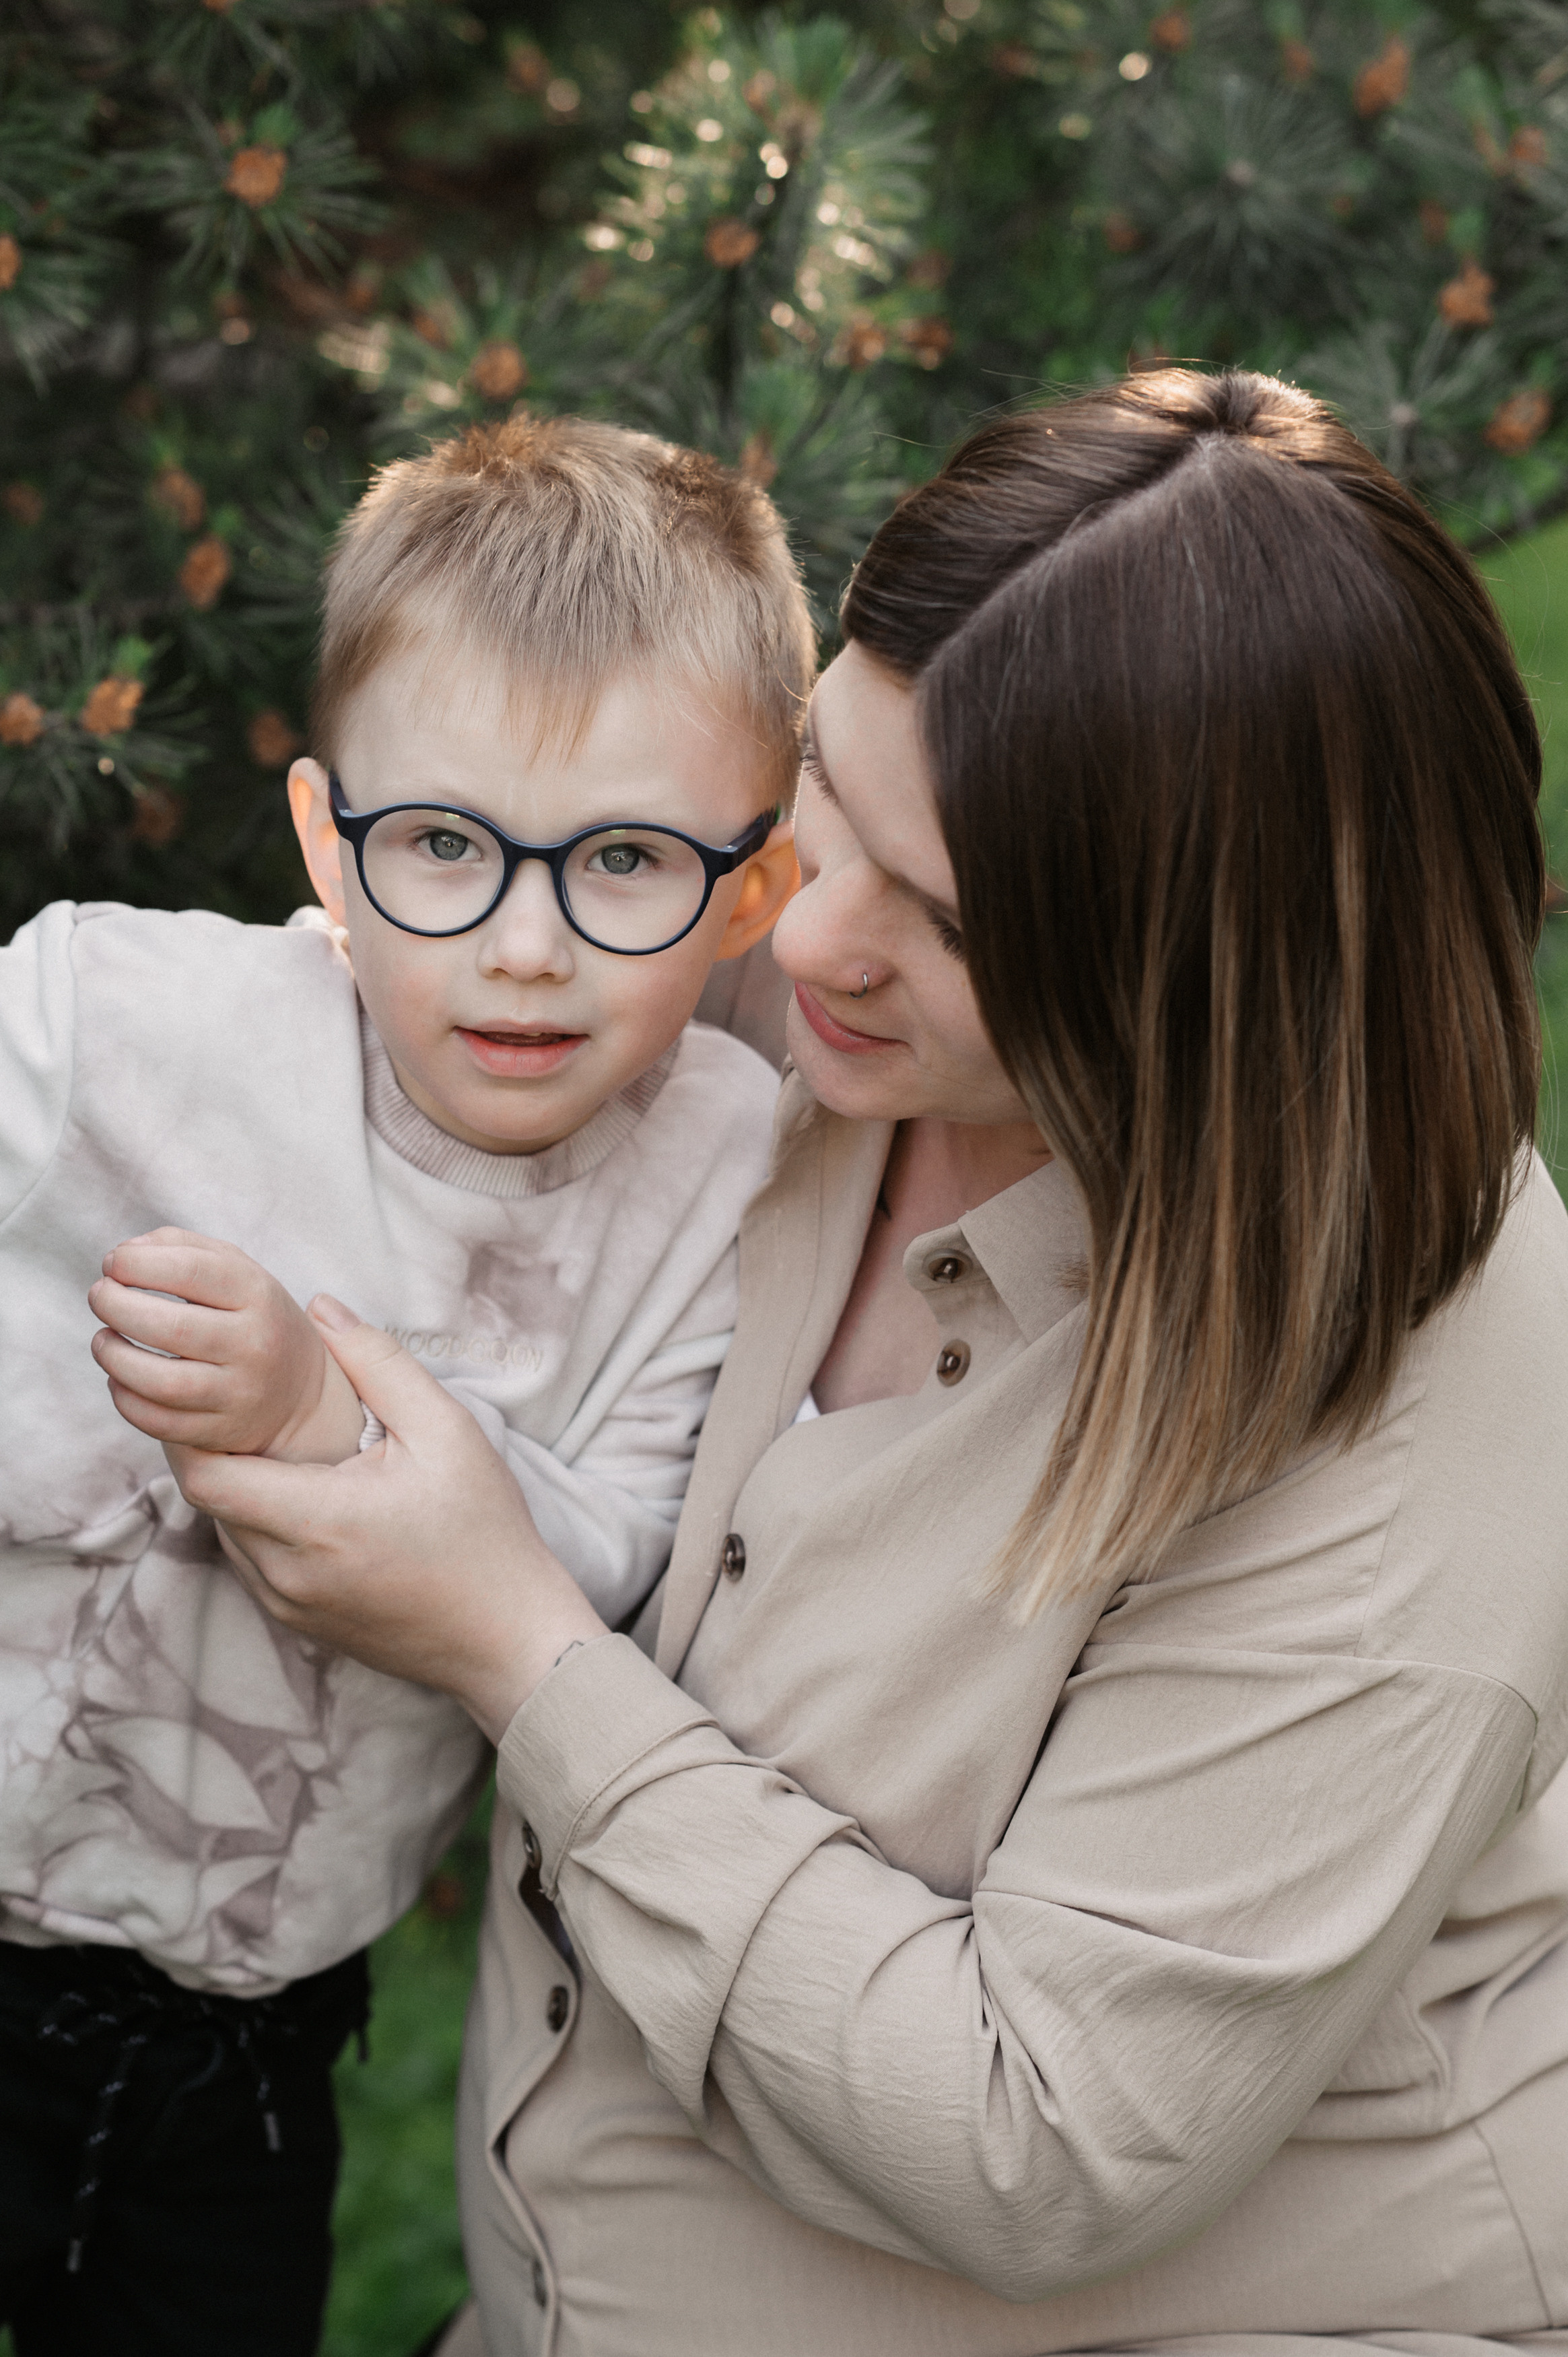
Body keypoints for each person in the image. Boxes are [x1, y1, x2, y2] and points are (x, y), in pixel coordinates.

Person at [165, 369, 1568, 2357]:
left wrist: (513, 1642)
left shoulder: (1422, 1394)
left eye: (948, 919)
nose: (805, 934)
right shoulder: (759, 970)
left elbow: (1039, 2138)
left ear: (1199, 977)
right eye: (830, 784)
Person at [0, 412, 810, 2355]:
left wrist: (326, 1423)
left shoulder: (715, 1172)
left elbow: (610, 1552)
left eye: (623, 859)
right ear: (323, 844)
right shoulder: (116, 1024)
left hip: (252, 2019)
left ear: (753, 892)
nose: (523, 950)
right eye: (440, 843)